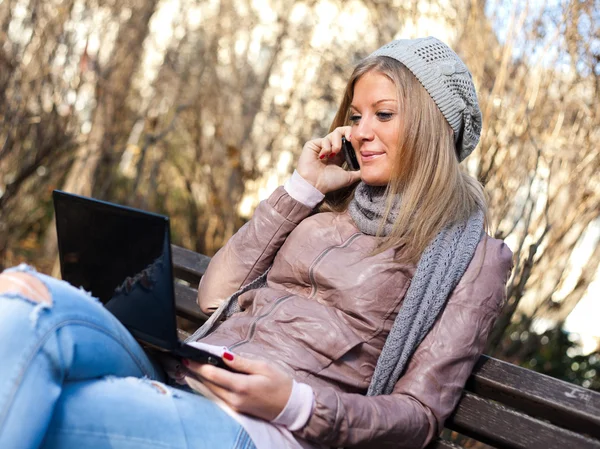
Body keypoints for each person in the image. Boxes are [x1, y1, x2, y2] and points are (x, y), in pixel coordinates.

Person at [0, 36, 512, 449]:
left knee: (65, 409)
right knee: (24, 299)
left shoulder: (469, 256)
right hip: (192, 367)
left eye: (384, 113)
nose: (360, 132)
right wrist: (301, 187)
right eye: (355, 116)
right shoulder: (328, 202)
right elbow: (214, 293)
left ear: (431, 125)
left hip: (269, 426)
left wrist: (294, 403)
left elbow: (419, 416)